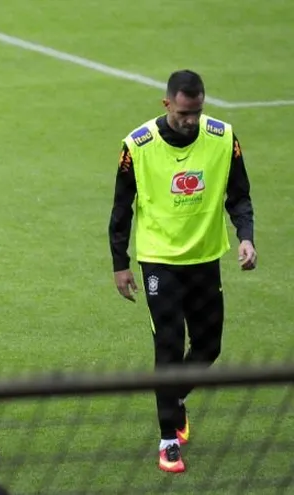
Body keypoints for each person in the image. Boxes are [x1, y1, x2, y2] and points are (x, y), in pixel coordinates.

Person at [108, 69, 256, 473]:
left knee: (209, 348)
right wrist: (120, 264)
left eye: (197, 112)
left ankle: (175, 399)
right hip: (159, 261)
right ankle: (168, 440)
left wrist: (246, 237)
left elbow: (239, 195)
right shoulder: (137, 145)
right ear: (167, 104)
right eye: (183, 113)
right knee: (169, 348)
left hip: (206, 259)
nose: (190, 120)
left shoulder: (224, 137)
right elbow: (121, 210)